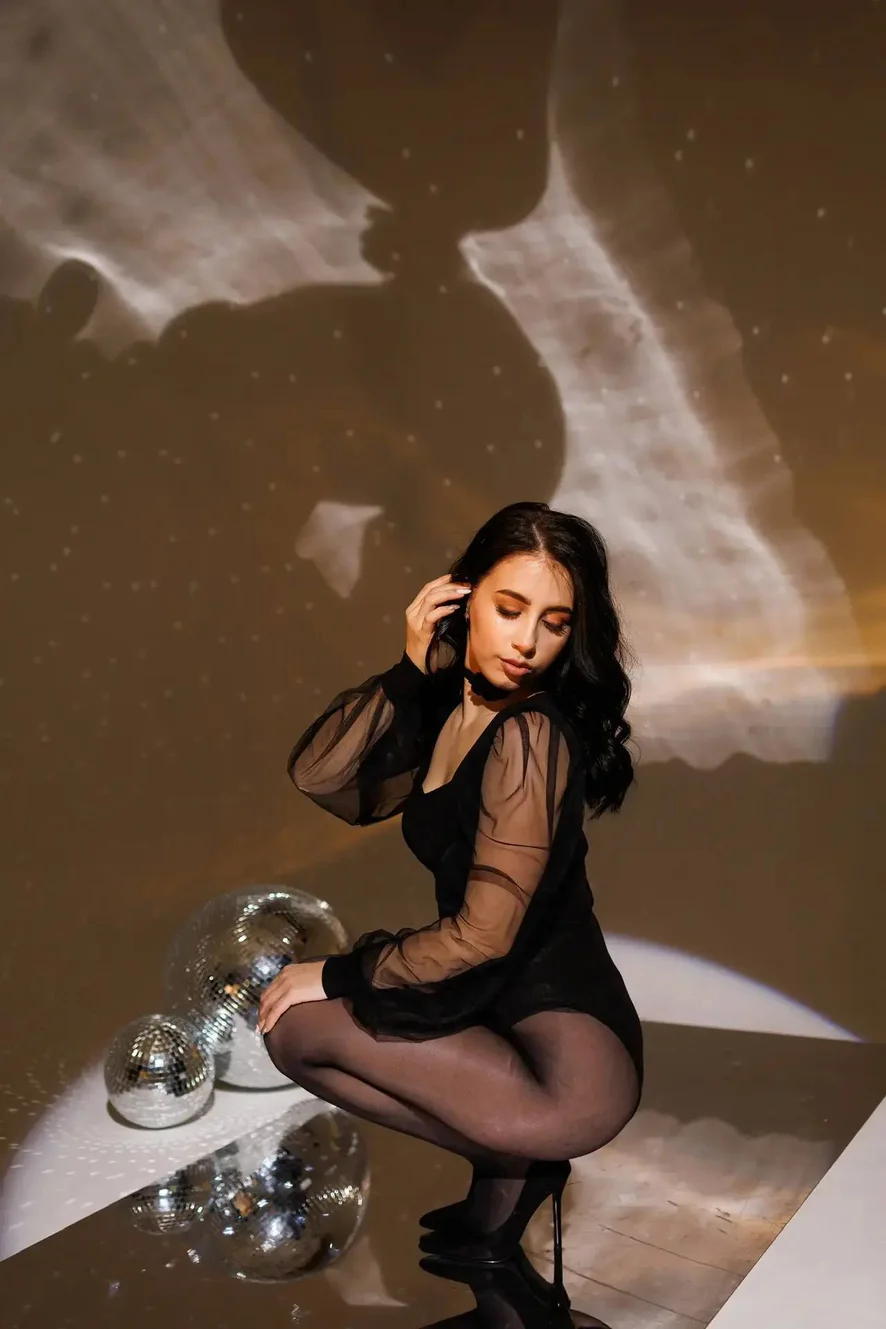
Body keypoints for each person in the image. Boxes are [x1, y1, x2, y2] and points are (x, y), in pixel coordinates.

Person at [259, 500, 643, 1323]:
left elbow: (485, 932)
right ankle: (515, 1161)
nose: (527, 640)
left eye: (553, 622)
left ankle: (522, 1155)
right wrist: (408, 669)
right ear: (462, 597)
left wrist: (337, 973)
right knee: (293, 1031)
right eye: (509, 608)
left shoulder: (531, 736)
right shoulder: (451, 709)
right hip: (503, 1026)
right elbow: (322, 776)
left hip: (572, 1066)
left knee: (300, 1024)